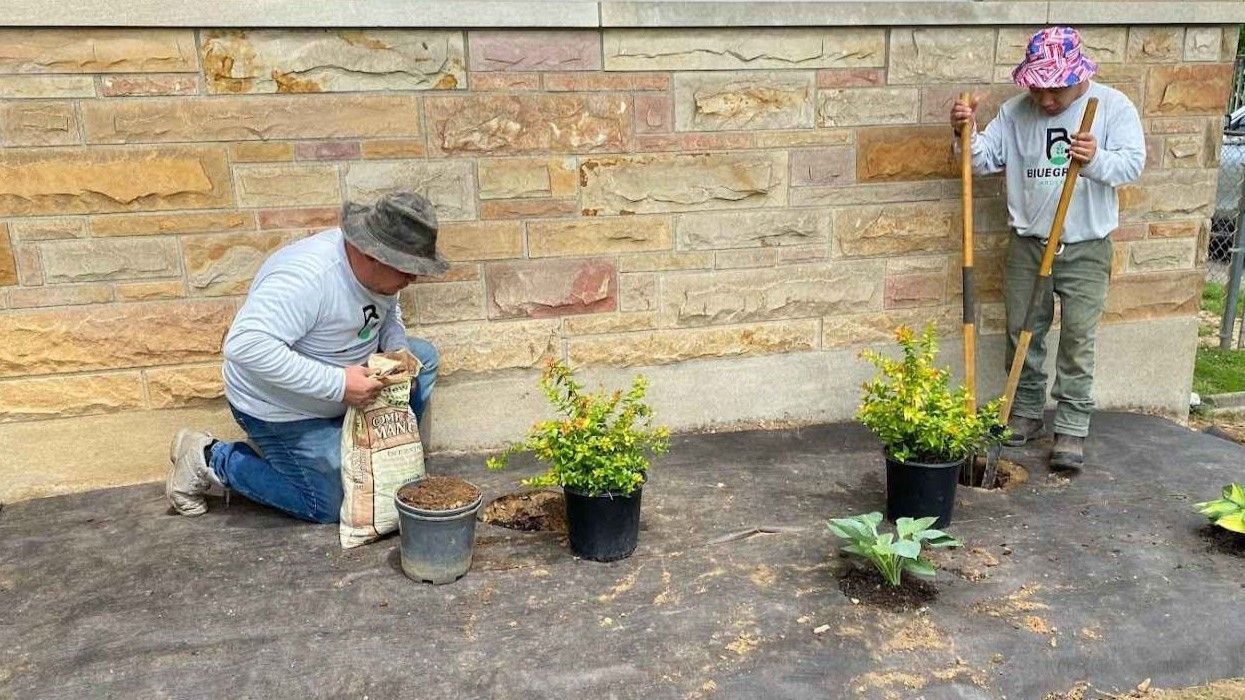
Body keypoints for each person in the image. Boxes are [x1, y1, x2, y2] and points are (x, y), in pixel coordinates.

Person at [166, 191, 448, 521]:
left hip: (341, 387)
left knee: (422, 358)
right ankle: (210, 457)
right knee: (331, 504)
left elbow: (388, 312)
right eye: (406, 269)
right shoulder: (309, 278)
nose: (412, 279)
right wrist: (339, 384)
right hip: (284, 408)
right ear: (369, 252)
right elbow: (244, 346)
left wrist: (397, 350)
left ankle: (374, 453)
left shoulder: (382, 275)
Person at [950, 26, 1145, 470]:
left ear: (1078, 75)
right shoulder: (1018, 112)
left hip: (1085, 247)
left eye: (1055, 89)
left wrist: (1095, 158)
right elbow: (981, 160)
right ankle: (1025, 414)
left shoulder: (1111, 107)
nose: (1046, 100)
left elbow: (1131, 165)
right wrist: (965, 132)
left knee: (1078, 338)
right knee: (1022, 333)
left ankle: (1072, 428)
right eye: (1038, 89)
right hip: (1028, 244)